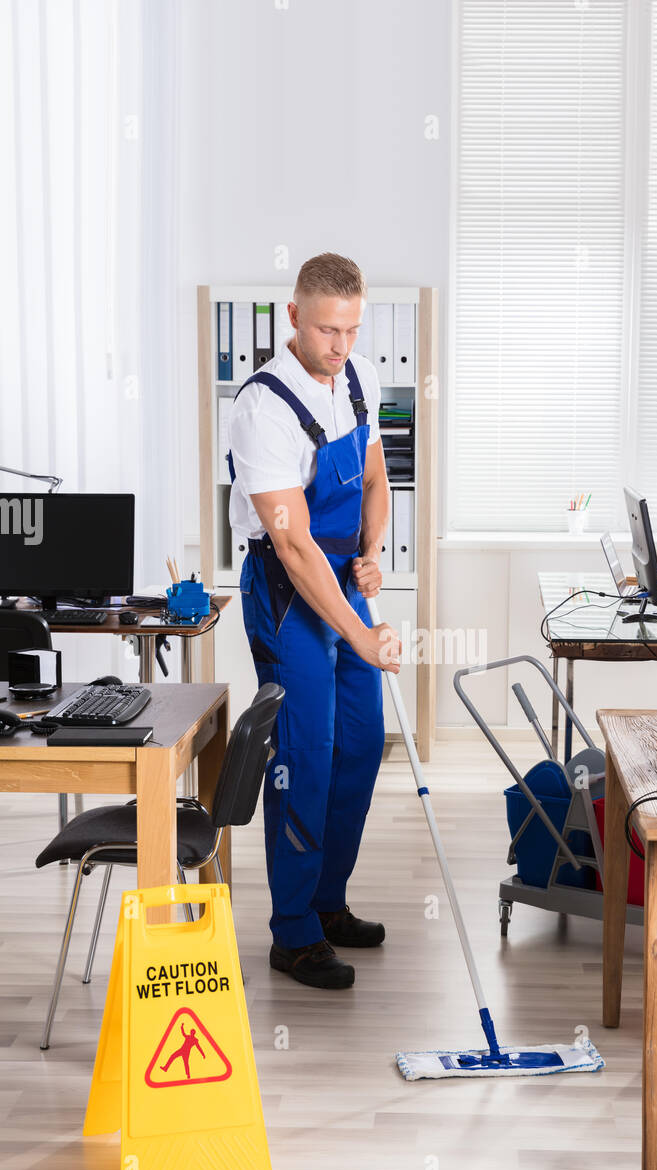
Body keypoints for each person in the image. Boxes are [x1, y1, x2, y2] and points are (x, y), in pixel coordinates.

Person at [227, 253, 401, 990]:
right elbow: (294, 545)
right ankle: (293, 933)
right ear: (294, 317)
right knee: (308, 753)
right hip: (289, 591)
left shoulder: (355, 377)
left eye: (352, 330)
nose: (341, 346)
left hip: (341, 580)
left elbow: (374, 474)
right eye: (328, 329)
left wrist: (371, 551)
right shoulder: (263, 406)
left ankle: (327, 904)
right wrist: (358, 631)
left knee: (362, 746)